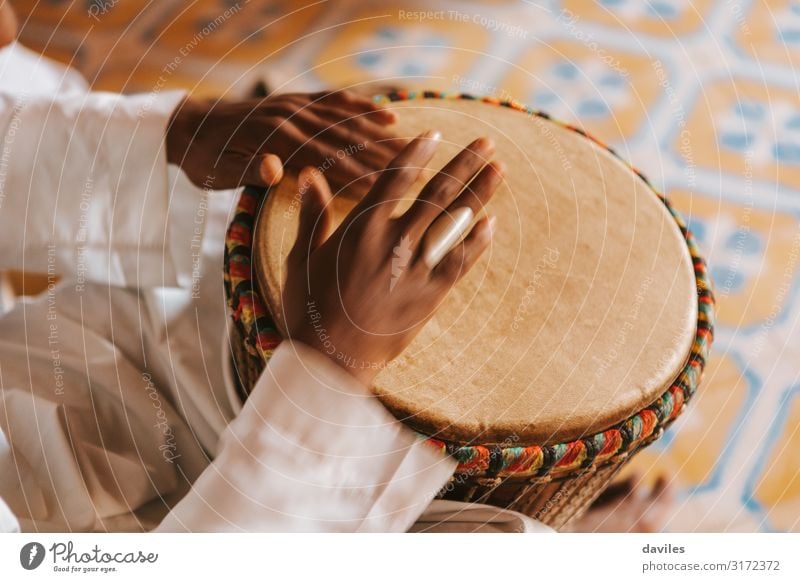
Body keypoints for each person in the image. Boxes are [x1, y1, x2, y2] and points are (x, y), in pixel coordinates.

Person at [0, 3, 552, 533]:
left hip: (48, 362)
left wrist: (172, 136)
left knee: (231, 276)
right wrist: (328, 372)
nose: (9, 25)